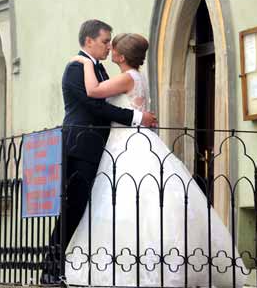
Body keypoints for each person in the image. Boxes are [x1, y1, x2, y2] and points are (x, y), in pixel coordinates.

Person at [64, 33, 247, 287]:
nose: (110, 50)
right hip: (135, 139)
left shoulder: (127, 77)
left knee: (127, 200)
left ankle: (131, 268)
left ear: (122, 56)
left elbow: (93, 92)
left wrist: (84, 63)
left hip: (126, 143)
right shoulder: (138, 76)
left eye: (113, 47)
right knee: (144, 201)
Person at [41, 20, 158, 284]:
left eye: (110, 42)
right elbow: (94, 106)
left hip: (102, 148)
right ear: (89, 41)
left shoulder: (101, 70)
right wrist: (137, 117)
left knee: (91, 208)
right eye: (105, 41)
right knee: (74, 207)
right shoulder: (75, 68)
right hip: (80, 147)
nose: (108, 46)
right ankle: (51, 268)